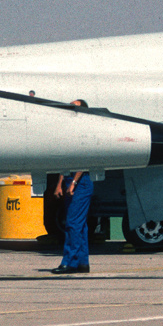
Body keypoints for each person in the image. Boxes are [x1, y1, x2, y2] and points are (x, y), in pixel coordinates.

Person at [51, 100, 92, 275]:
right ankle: (82, 262)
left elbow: (83, 161)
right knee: (80, 225)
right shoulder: (71, 132)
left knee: (73, 224)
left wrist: (73, 183)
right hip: (70, 180)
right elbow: (66, 160)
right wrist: (60, 184)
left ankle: (69, 261)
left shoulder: (84, 133)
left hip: (80, 182)